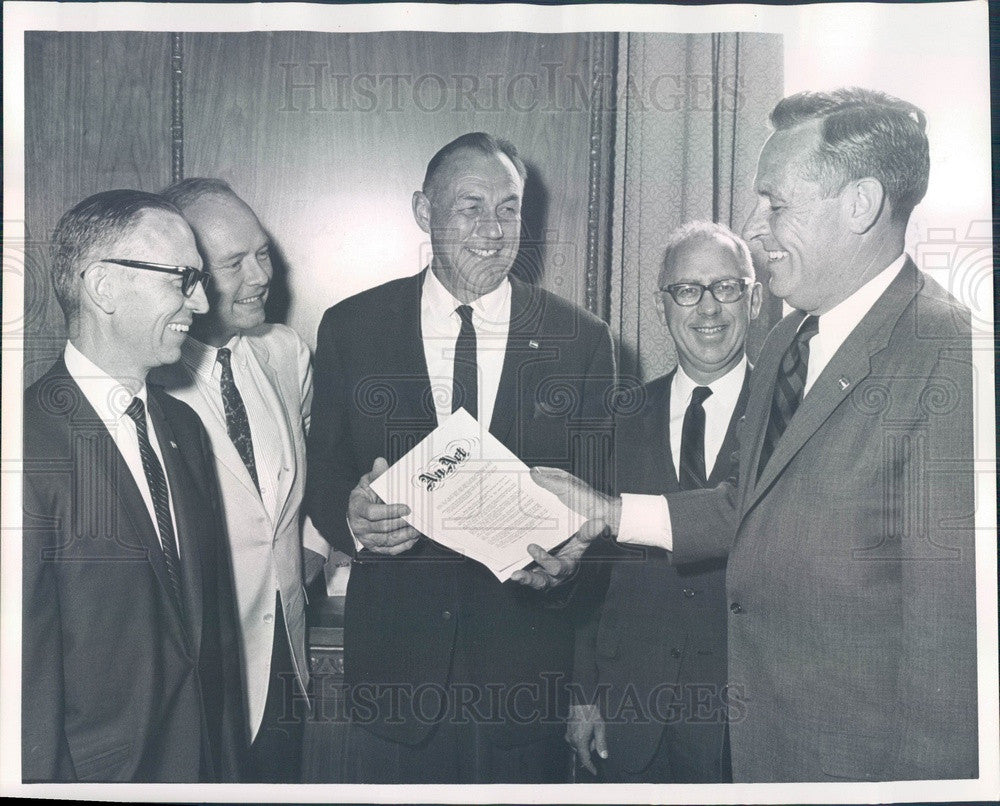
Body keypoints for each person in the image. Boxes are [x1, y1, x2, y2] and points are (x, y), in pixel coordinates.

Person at [533, 88, 978, 782]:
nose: (758, 226)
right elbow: (748, 504)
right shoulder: (789, 341)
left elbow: (949, 651)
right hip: (760, 758)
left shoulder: (951, 354)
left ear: (860, 204)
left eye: (776, 204)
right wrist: (613, 513)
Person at [306, 132, 616, 783]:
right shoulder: (352, 328)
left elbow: (603, 517)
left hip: (526, 681)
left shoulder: (580, 340)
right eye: (470, 207)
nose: (495, 229)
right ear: (424, 211)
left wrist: (570, 581)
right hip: (395, 678)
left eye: (509, 208)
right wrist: (354, 520)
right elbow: (326, 477)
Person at [22, 189, 247, 782]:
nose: (201, 303)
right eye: (183, 279)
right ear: (103, 287)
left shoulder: (184, 429)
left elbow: (212, 632)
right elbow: (23, 679)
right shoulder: (22, 445)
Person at [568, 221, 759, 783]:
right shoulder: (616, 419)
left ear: (754, 298)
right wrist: (582, 694)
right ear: (661, 304)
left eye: (726, 287)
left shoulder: (789, 416)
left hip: (743, 718)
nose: (708, 309)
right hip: (628, 713)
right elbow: (588, 565)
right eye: (687, 290)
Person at [153, 178, 323, 782]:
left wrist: (312, 550)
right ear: (187, 278)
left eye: (262, 252)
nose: (261, 276)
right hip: (190, 664)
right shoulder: (148, 375)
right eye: (234, 264)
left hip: (283, 654)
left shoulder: (285, 352)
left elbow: (316, 467)